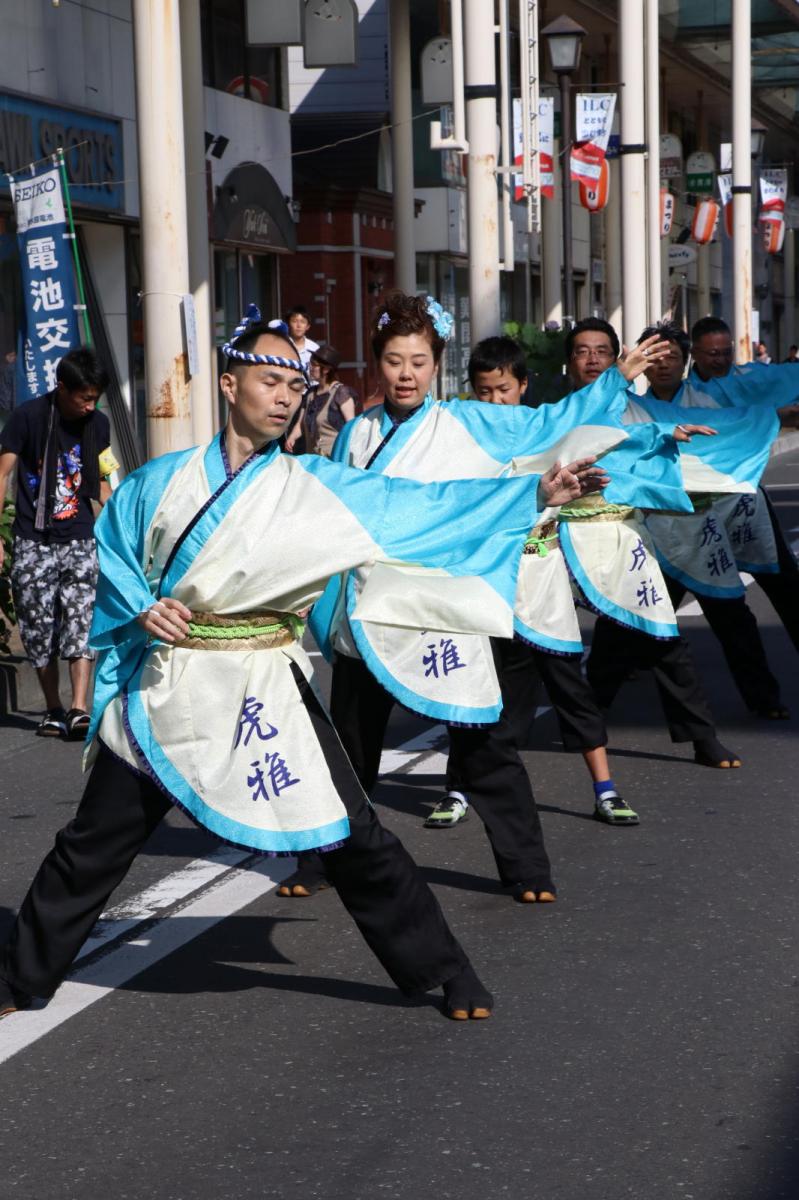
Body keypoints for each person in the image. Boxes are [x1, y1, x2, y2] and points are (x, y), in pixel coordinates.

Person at [0, 312, 605, 1023]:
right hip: (168, 685)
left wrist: (530, 495)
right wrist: (139, 609)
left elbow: (419, 508)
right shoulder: (159, 481)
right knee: (93, 841)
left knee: (350, 834)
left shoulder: (316, 485)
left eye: (295, 385)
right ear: (228, 385)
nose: (284, 397)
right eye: (268, 380)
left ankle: (442, 969)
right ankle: (20, 978)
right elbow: (115, 552)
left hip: (260, 676)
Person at [283, 292, 690, 907]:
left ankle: (526, 866)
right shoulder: (357, 434)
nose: (405, 374)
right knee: (350, 742)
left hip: (444, 599)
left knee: (482, 734)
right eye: (394, 360)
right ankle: (324, 857)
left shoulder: (468, 422)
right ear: (377, 363)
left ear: (436, 364)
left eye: (418, 361)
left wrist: (615, 378)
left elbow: (550, 425)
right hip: (370, 603)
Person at [466, 335, 638, 825]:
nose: (495, 400)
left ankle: (605, 788)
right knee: (479, 691)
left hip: (543, 580)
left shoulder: (548, 430)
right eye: (483, 391)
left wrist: (582, 484)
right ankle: (458, 788)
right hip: (492, 584)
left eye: (503, 389)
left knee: (570, 686)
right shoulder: (464, 442)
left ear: (523, 385)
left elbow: (594, 429)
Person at [561, 319, 741, 771]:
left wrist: (671, 435)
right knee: (546, 652)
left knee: (659, 635)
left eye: (602, 351)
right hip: (572, 540)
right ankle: (568, 728)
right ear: (569, 362)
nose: (592, 360)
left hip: (626, 536)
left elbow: (640, 443)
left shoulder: (641, 411)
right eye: (582, 351)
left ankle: (701, 736)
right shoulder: (561, 411)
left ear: (618, 359)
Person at [638, 320, 799, 719]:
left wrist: (777, 418)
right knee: (647, 610)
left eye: (672, 357)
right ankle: (595, 703)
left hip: (731, 508)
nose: (663, 365)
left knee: (777, 593)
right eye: (655, 357)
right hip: (669, 522)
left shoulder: (706, 402)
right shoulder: (630, 407)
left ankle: (763, 700)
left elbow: (744, 427)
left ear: (684, 361)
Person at [0, 347, 117, 739]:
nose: (90, 405)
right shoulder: (27, 417)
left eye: (95, 398)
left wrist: (117, 532)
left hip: (81, 536)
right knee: (38, 627)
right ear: (62, 388)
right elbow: (2, 475)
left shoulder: (97, 424)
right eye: (84, 397)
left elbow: (102, 478)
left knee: (82, 623)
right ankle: (53, 708)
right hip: (34, 539)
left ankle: (79, 709)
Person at [687, 316, 799, 657]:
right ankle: (623, 654)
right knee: (667, 586)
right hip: (691, 506)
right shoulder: (680, 392)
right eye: (711, 353)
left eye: (725, 352)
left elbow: (783, 382)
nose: (720, 359)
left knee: (785, 584)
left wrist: (782, 415)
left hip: (744, 494)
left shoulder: (748, 377)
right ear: (694, 353)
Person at [302, 343, 358, 456]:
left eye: (314, 365)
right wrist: (292, 438)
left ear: (326, 369)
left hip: (334, 460)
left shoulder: (341, 393)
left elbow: (352, 429)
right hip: (313, 460)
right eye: (310, 364)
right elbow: (299, 425)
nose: (310, 368)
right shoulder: (310, 394)